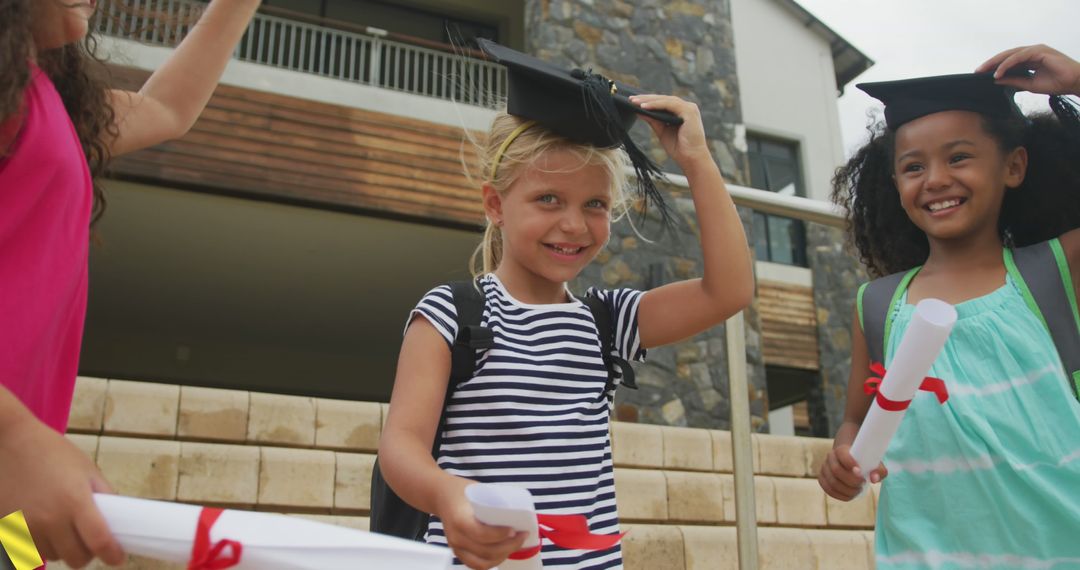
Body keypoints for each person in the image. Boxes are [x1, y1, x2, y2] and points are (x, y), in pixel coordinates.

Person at [377, 40, 754, 570]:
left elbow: (730, 290)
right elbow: (400, 446)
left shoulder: (607, 322)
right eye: (548, 199)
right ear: (495, 204)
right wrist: (446, 494)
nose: (574, 225)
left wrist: (695, 159)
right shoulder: (451, 313)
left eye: (595, 204)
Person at [0, 0, 261, 566]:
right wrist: (11, 433)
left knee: (21, 564)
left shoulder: (47, 98)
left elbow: (164, 107)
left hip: (10, 506)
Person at [820, 44, 1080, 567]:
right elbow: (856, 420)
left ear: (1014, 166)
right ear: (895, 184)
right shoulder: (879, 304)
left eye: (959, 157)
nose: (935, 179)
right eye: (913, 166)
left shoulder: (1057, 270)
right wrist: (842, 460)